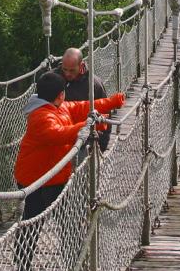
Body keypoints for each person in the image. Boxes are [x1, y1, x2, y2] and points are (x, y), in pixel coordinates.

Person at [13, 71, 124, 269]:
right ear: (59, 94)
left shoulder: (58, 107)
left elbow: (82, 107)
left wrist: (113, 102)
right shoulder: (41, 116)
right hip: (36, 182)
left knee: (66, 223)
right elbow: (58, 134)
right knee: (33, 225)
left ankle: (74, 262)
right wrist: (91, 126)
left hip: (54, 177)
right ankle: (22, 265)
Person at [59, 47, 111, 151]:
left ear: (81, 65)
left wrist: (102, 146)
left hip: (85, 142)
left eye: (72, 70)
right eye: (64, 69)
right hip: (61, 140)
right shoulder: (54, 79)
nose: (68, 74)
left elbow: (105, 115)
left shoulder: (94, 85)